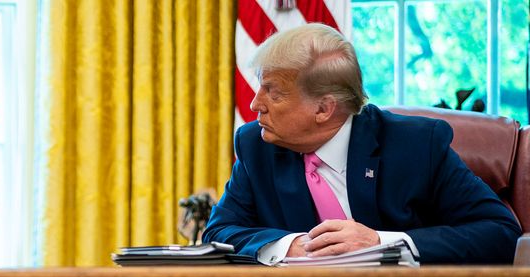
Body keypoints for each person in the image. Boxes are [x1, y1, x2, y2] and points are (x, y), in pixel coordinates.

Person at [203, 23, 521, 264]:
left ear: (324, 108)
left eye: (274, 93)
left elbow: (499, 231)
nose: (256, 104)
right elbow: (218, 233)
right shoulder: (257, 145)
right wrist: (289, 245)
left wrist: (381, 243)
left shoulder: (416, 145)